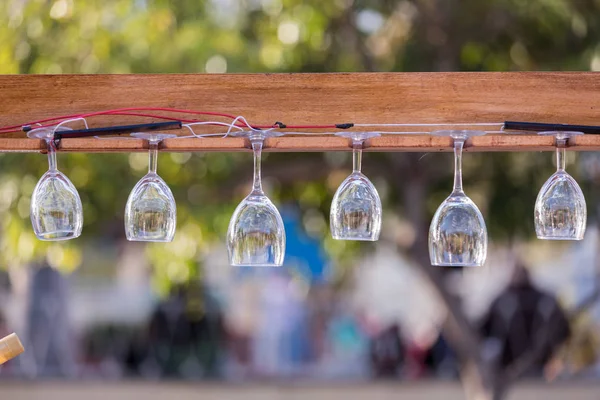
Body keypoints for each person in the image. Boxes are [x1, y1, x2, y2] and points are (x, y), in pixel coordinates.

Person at [479, 264, 570, 375]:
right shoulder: (548, 301)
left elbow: (483, 331)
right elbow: (565, 331)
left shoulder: (501, 300)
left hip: (510, 364)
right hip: (541, 362)